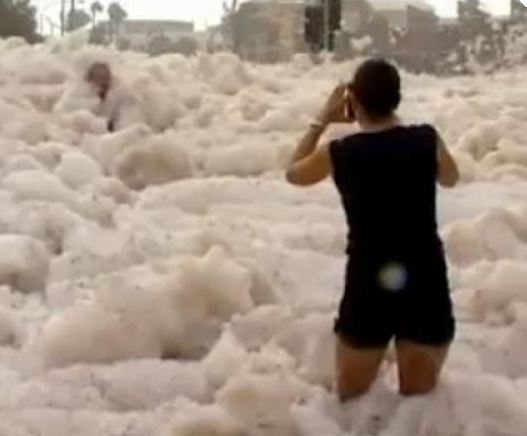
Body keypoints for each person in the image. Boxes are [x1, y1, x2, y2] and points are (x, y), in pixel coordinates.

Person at [285, 58, 459, 402]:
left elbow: (293, 173)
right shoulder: (426, 139)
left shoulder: (339, 153)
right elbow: (451, 178)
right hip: (425, 279)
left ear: (353, 101)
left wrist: (321, 120)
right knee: (419, 407)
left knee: (352, 403)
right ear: (397, 98)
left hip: (368, 284)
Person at [54, 61, 140, 132]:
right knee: (83, 116)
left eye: (106, 77)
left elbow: (124, 112)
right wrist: (97, 102)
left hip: (109, 128)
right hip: (71, 123)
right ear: (90, 78)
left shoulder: (117, 91)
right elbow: (64, 107)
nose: (104, 81)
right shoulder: (79, 89)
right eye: (99, 77)